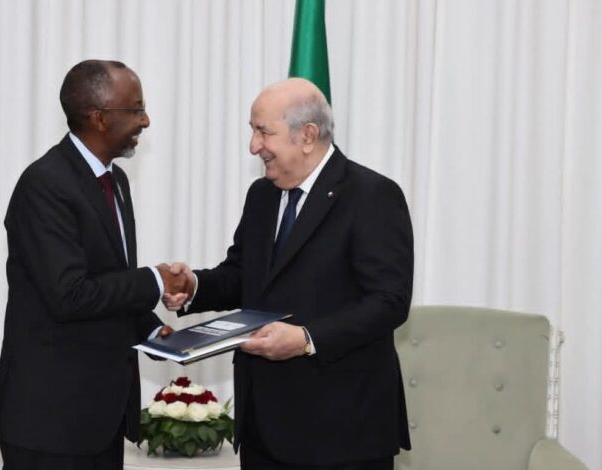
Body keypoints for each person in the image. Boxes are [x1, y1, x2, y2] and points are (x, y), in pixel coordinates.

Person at [164, 78, 414, 470]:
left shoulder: (371, 195)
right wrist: (193, 286)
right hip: (263, 426)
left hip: (342, 430)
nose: (253, 146)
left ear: (308, 136)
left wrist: (306, 339)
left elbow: (388, 302)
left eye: (263, 132)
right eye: (252, 130)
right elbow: (244, 275)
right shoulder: (262, 195)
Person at [0, 60, 189, 470]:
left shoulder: (116, 181)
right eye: (136, 109)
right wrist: (153, 280)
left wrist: (152, 330)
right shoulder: (45, 184)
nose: (146, 120)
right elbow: (70, 295)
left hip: (100, 418)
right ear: (98, 117)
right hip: (51, 423)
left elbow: (109, 280)